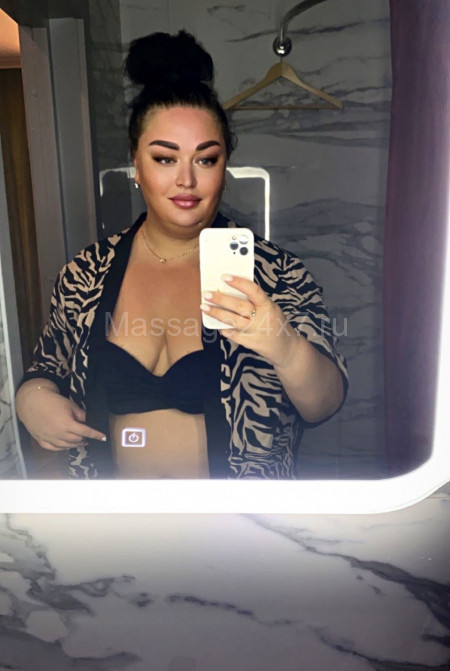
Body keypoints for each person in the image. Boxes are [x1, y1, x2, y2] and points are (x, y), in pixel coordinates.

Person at [15, 30, 348, 479]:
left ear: (224, 168)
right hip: (111, 518)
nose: (186, 180)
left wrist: (285, 347)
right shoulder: (86, 273)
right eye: (165, 159)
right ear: (137, 164)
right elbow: (47, 365)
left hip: (244, 519)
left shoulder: (276, 273)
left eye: (205, 159)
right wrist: (32, 398)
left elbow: (324, 404)